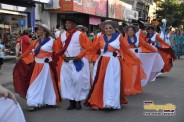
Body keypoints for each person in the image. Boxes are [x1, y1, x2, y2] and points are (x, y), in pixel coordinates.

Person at [84, 20, 142, 110]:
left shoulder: (119, 37)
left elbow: (125, 50)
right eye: (106, 28)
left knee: (112, 82)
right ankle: (98, 101)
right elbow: (94, 48)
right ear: (104, 29)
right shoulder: (100, 37)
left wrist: (132, 59)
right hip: (102, 61)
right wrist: (83, 53)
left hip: (114, 62)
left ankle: (110, 103)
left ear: (114, 28)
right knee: (100, 81)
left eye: (110, 28)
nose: (108, 29)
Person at [18, 23, 61, 111]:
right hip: (37, 66)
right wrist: (21, 57)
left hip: (47, 66)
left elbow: (57, 53)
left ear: (44, 32)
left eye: (39, 29)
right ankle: (33, 102)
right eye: (38, 29)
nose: (37, 31)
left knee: (48, 84)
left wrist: (52, 60)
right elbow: (29, 50)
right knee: (35, 84)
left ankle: (50, 101)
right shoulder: (36, 41)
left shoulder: (53, 41)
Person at [55, 17, 92, 110]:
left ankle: (78, 101)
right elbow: (58, 48)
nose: (67, 25)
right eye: (66, 23)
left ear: (74, 25)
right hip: (66, 61)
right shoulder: (62, 35)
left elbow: (87, 47)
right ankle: (71, 102)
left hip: (77, 61)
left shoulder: (80, 35)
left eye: (69, 23)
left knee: (77, 80)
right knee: (67, 81)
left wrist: (79, 56)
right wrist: (63, 57)